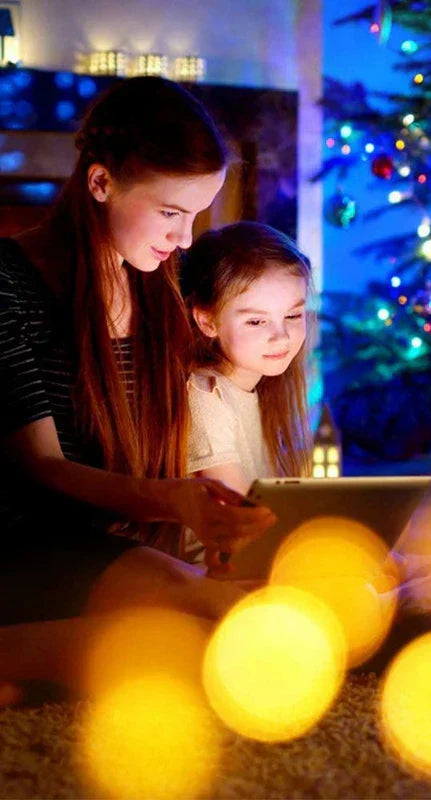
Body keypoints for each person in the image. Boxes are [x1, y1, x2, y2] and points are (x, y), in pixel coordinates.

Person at [0, 77, 275, 699]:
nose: (184, 238)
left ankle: (52, 662)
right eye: (171, 213)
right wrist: (171, 501)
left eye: (196, 216)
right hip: (19, 545)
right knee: (210, 638)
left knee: (250, 615)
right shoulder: (8, 284)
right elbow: (39, 468)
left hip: (99, 546)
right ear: (100, 183)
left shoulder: (156, 286)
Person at [180, 222, 313, 564]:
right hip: (214, 574)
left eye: (293, 315)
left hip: (262, 561)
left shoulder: (265, 393)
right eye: (256, 322)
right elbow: (247, 524)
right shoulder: (205, 396)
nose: (281, 336)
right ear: (207, 321)